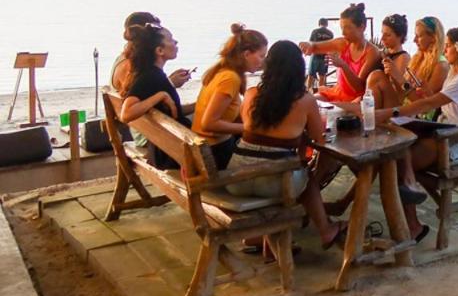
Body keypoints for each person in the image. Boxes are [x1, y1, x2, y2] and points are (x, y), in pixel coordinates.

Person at [226, 41, 347, 250]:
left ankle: (263, 237)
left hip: (236, 178)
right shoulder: (305, 100)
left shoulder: (252, 93)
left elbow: (249, 127)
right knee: (307, 180)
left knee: (291, 171)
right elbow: (319, 140)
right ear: (298, 69)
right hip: (274, 182)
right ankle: (326, 230)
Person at [385, 26, 458, 242]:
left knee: (394, 165)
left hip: (452, 142)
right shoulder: (455, 72)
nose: (445, 49)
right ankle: (410, 184)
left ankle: (411, 224)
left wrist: (392, 112)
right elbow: (440, 101)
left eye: (448, 46)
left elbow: (432, 103)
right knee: (397, 149)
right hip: (443, 133)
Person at [192, 24, 268, 170]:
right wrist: (249, 128)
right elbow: (208, 124)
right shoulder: (230, 78)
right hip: (215, 152)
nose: (262, 61)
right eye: (261, 56)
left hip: (207, 147)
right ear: (246, 54)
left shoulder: (222, 70)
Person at [119, 23, 190, 169]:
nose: (176, 42)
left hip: (166, 147)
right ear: (159, 50)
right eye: (171, 39)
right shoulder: (151, 77)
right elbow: (126, 114)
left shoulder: (149, 73)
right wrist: (160, 95)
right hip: (173, 154)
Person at [299, 3, 380, 103]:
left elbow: (359, 87)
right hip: (337, 92)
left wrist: (343, 65)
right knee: (307, 102)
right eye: (342, 28)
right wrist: (309, 45)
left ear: (362, 27)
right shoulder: (343, 43)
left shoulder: (372, 52)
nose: (343, 33)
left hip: (357, 99)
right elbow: (315, 47)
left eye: (348, 28)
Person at [111, 11, 191, 94]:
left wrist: (168, 82)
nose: (158, 33)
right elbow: (137, 98)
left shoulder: (131, 58)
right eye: (154, 30)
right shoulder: (130, 64)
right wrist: (170, 84)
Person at [366, 14, 411, 111]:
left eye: (388, 35)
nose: (382, 38)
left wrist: (392, 73)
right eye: (382, 33)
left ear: (400, 36)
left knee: (376, 75)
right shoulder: (382, 53)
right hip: (375, 99)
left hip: (393, 106)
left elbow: (400, 93)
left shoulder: (403, 58)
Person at [406, 15, 450, 103]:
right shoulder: (417, 59)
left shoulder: (441, 65)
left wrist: (401, 81)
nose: (414, 40)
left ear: (433, 38)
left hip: (420, 114)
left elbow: (425, 104)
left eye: (419, 36)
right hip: (406, 110)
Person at [306, 18, 335, 91]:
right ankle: (320, 91)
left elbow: (310, 43)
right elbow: (331, 46)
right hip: (325, 57)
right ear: (326, 24)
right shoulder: (330, 33)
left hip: (315, 56)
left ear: (319, 24)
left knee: (311, 75)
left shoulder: (315, 32)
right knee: (322, 76)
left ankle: (308, 91)